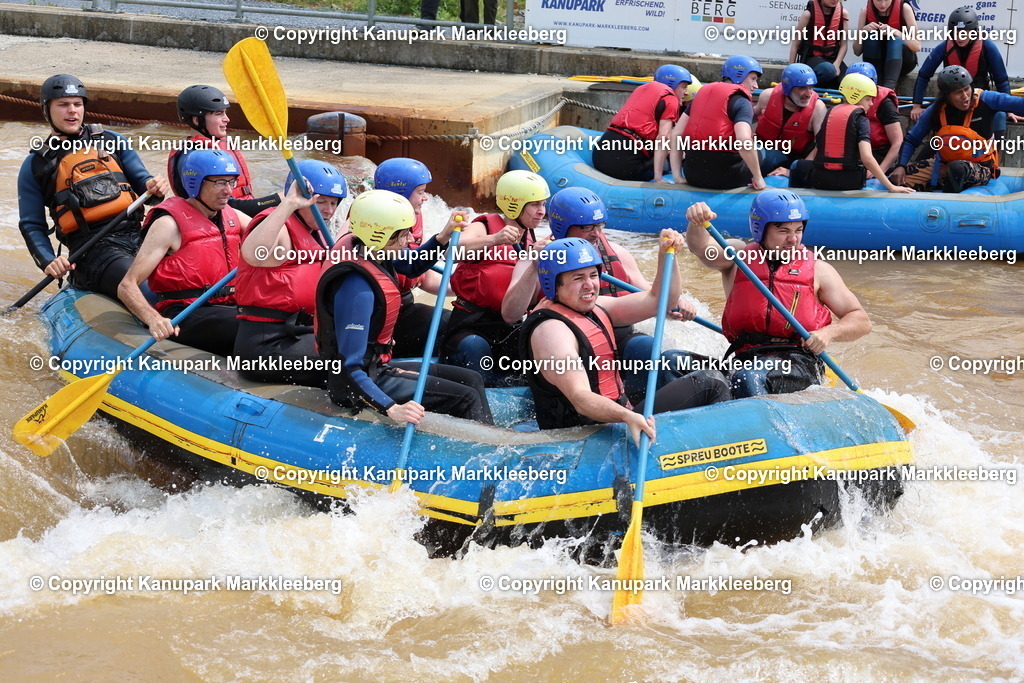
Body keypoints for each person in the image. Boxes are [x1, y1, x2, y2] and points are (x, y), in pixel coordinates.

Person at [520, 236, 730, 443]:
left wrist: (667, 255)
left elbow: (660, 300)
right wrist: (626, 416)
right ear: (553, 284)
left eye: (593, 275)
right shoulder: (552, 331)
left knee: (700, 371)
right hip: (585, 436)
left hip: (610, 420)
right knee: (709, 383)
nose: (589, 285)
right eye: (578, 278)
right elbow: (580, 398)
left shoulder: (597, 307)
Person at [315, 190, 492, 425]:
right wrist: (391, 408)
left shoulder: (371, 249)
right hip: (360, 383)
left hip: (377, 367)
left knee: (471, 379)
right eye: (403, 234)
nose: (409, 239)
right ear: (382, 235)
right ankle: (482, 454)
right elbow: (351, 368)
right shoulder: (357, 290)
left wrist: (443, 236)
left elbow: (413, 264)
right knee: (466, 397)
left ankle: (486, 433)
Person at [685, 190, 872, 398]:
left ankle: (758, 429)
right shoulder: (737, 257)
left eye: (798, 230)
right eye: (784, 231)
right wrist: (697, 223)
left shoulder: (819, 270)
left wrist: (829, 333)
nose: (793, 239)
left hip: (797, 362)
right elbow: (701, 248)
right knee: (674, 362)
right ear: (760, 230)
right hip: (744, 359)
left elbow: (861, 320)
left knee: (748, 377)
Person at [17, 74, 170, 300]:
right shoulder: (36, 164)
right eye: (63, 105)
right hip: (91, 250)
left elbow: (145, 187)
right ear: (46, 109)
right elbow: (31, 224)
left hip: (137, 236)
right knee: (151, 293)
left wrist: (154, 186)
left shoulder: (113, 140)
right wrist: (49, 261)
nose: (72, 111)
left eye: (77, 104)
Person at [118, 149, 250, 356]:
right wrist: (154, 319)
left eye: (231, 182)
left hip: (229, 306)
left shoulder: (234, 217)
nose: (229, 191)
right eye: (219, 183)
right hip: (186, 314)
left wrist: (291, 205)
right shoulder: (168, 225)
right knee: (248, 327)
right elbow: (127, 286)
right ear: (195, 183)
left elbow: (274, 242)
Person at [233, 160, 347, 387]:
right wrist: (288, 204)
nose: (329, 210)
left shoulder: (317, 233)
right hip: (266, 346)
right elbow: (254, 254)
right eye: (321, 201)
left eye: (334, 203)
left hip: (300, 333)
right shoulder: (280, 227)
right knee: (348, 365)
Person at [443, 169, 549, 385]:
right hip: (471, 325)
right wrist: (494, 239)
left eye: (543, 204)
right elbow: (451, 252)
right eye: (535, 205)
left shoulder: (534, 240)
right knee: (476, 347)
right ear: (514, 204)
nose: (541, 212)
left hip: (508, 326)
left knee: (538, 346)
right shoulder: (484, 226)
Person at [891, 65, 1024, 193]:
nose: (965, 96)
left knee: (957, 169)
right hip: (944, 165)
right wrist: (901, 165)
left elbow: (1018, 104)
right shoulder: (936, 110)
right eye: (958, 92)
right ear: (946, 95)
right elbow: (912, 139)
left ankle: (946, 196)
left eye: (967, 89)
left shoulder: (986, 99)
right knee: (895, 177)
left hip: (980, 168)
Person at [373, 157, 455, 358]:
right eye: (420, 192)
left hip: (404, 306)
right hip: (381, 318)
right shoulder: (373, 223)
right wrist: (443, 237)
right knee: (452, 330)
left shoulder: (411, 216)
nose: (425, 198)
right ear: (400, 193)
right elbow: (410, 264)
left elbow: (421, 274)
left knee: (456, 323)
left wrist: (466, 288)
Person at [168, 85, 281, 217]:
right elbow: (225, 208)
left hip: (243, 211)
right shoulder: (192, 158)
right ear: (197, 120)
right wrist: (277, 200)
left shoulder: (217, 145)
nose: (227, 119)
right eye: (218, 113)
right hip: (225, 219)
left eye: (225, 112)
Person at [788, 73, 913, 193]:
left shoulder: (831, 112)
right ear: (856, 97)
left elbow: (818, 147)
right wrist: (891, 186)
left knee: (796, 165)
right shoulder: (861, 119)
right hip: (850, 180)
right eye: (868, 99)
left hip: (822, 178)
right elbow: (867, 158)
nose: (871, 103)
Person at [910, 6, 1018, 133]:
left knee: (1000, 115)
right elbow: (924, 75)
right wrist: (916, 105)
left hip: (978, 100)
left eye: (964, 32)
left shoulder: (987, 47)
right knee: (930, 114)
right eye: (956, 33)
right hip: (953, 102)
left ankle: (995, 152)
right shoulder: (944, 47)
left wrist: (1009, 110)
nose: (959, 37)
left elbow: (1002, 81)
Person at [592, 65, 692, 183]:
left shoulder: (641, 90)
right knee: (675, 158)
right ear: (672, 85)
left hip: (599, 156)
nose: (686, 93)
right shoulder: (671, 99)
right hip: (623, 167)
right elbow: (663, 138)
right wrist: (658, 178)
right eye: (683, 87)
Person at [680, 56, 767, 191]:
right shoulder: (742, 101)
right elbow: (744, 140)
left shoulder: (701, 95)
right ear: (739, 75)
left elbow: (676, 133)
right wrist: (758, 178)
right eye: (753, 79)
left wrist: (677, 176)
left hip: (692, 174)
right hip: (729, 177)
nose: (756, 86)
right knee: (760, 151)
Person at [753, 63, 827, 176]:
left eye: (811, 87)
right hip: (763, 148)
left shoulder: (818, 108)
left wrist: (796, 171)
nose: (809, 94)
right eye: (802, 88)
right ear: (788, 87)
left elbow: (822, 146)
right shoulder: (767, 96)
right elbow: (748, 118)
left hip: (794, 158)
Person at [844, 62, 903, 173]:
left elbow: (897, 143)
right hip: (854, 152)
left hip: (879, 154)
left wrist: (879, 171)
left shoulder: (885, 104)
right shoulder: (847, 98)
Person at [852, 0, 920, 89]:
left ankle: (890, 87)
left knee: (894, 40)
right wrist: (863, 32)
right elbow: (857, 51)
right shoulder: (865, 12)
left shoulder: (904, 8)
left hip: (902, 63)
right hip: (879, 64)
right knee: (871, 37)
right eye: (879, 0)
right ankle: (875, 84)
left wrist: (895, 32)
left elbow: (917, 46)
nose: (883, 4)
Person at [791, 0, 850, 88]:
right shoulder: (808, 14)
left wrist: (837, 64)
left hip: (833, 59)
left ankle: (827, 86)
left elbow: (844, 45)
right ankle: (807, 86)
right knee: (827, 69)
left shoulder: (843, 14)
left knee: (849, 80)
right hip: (812, 58)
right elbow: (795, 43)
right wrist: (791, 69)